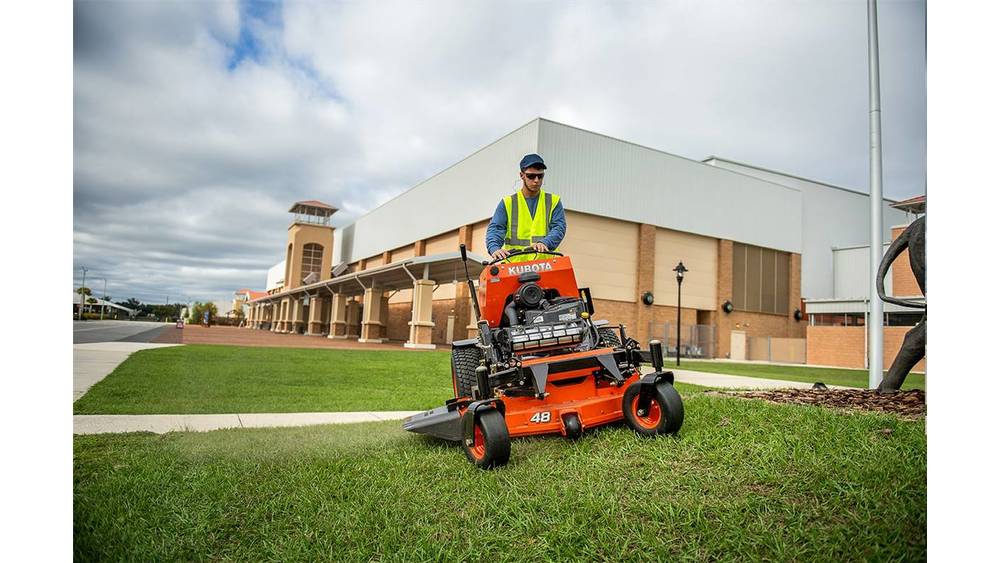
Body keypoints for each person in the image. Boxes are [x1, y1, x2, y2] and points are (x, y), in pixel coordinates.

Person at [486, 153, 567, 263]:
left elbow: (559, 228)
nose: (536, 180)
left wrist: (545, 243)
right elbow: (496, 229)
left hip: (546, 267)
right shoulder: (507, 203)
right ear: (521, 175)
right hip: (514, 268)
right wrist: (495, 248)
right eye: (531, 176)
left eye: (540, 176)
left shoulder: (553, 201)